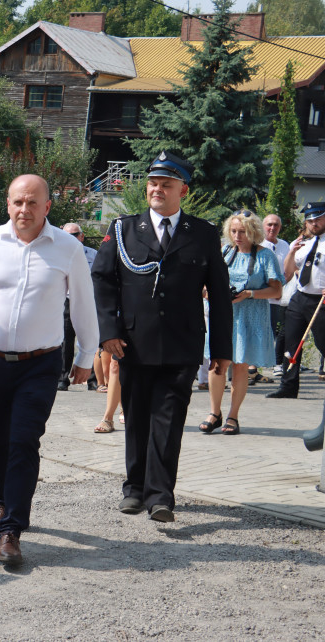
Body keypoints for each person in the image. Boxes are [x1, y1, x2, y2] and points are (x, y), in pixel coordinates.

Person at [0, 174, 98, 566]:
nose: (24, 210)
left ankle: (11, 529)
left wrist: (85, 358)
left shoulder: (67, 249)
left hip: (42, 364)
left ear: (47, 207)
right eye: (18, 202)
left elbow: (84, 305)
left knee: (23, 440)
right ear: (8, 203)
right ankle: (3, 502)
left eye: (33, 203)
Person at [92, 151, 232, 523]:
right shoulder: (124, 229)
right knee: (136, 417)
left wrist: (222, 349)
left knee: (168, 421)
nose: (157, 189)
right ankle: (134, 489)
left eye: (166, 184)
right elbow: (103, 280)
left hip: (182, 345)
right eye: (153, 183)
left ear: (183, 190)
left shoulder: (202, 233)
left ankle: (160, 495)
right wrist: (108, 333)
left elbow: (219, 293)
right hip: (133, 344)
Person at [199, 212, 282, 436]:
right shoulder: (224, 252)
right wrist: (207, 292)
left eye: (242, 231)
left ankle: (233, 416)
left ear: (253, 232)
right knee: (217, 363)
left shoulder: (265, 256)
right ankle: (214, 413)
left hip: (250, 317)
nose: (237, 236)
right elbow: (205, 281)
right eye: (234, 231)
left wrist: (250, 293)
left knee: (240, 366)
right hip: (222, 314)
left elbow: (277, 290)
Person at [268, 203, 325, 399]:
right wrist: (292, 252)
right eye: (309, 220)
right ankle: (288, 386)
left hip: (321, 301)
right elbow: (288, 274)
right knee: (290, 342)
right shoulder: (303, 244)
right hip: (300, 298)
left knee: (322, 343)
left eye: (317, 219)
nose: (313, 223)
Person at [58, 222, 98, 391]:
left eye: (74, 235)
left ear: (81, 236)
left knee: (92, 338)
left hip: (88, 300)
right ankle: (63, 378)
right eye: (67, 235)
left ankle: (93, 379)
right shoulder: (57, 254)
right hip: (66, 300)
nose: (71, 239)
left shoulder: (94, 255)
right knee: (66, 341)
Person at [261, 214, 290, 379]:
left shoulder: (284, 245)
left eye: (276, 225)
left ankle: (275, 364)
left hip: (279, 298)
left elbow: (288, 270)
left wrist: (280, 288)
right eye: (269, 225)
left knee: (277, 333)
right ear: (263, 226)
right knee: (263, 333)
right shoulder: (258, 245)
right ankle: (253, 368)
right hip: (262, 297)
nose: (273, 228)